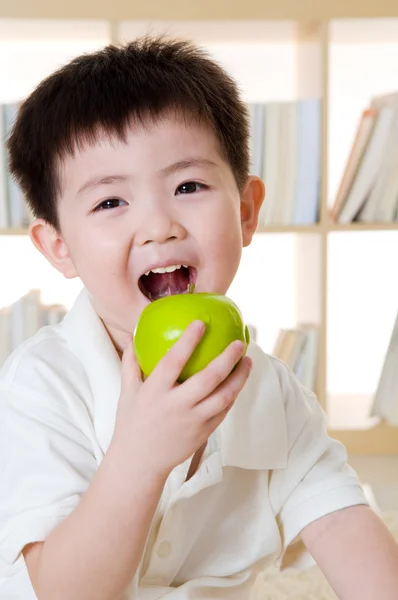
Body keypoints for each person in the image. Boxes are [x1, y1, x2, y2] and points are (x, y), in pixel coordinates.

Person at [0, 36, 397, 600]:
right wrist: (139, 458)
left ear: (246, 212)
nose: (159, 225)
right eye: (111, 202)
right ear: (58, 246)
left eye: (188, 186)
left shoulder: (270, 392)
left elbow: (339, 520)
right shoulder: (41, 387)